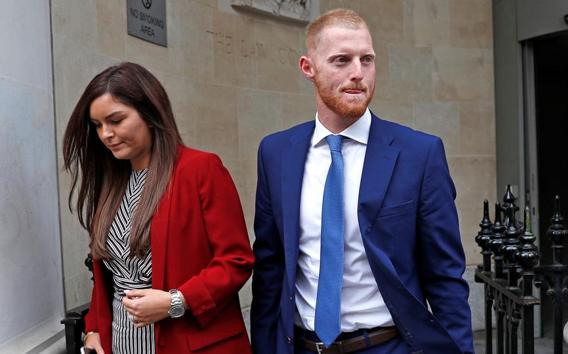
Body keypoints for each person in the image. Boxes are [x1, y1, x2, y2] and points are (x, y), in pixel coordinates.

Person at [251, 8, 474, 354]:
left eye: (366, 59)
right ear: (308, 68)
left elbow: (446, 278)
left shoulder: (419, 154)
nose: (358, 73)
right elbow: (270, 269)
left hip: (388, 346)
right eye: (342, 60)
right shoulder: (276, 153)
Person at [63, 62, 254, 354]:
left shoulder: (200, 169)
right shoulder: (111, 185)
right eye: (98, 125)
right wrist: (92, 330)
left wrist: (176, 301)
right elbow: (108, 275)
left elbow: (236, 260)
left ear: (150, 114)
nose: (105, 134)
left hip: (190, 342)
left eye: (116, 120)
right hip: (122, 343)